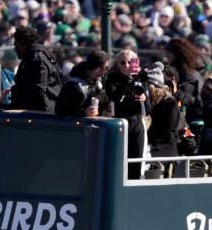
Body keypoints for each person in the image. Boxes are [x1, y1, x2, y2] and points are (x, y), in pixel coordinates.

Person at [104, 49, 150, 179]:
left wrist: (145, 99)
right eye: (122, 63)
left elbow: (149, 109)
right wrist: (127, 78)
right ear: (117, 65)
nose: (126, 65)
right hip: (119, 123)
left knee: (137, 161)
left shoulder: (141, 79)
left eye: (130, 62)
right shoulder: (112, 80)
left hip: (137, 123)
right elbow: (115, 98)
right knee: (119, 160)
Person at [9, 26, 61, 113]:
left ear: (22, 43)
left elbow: (39, 91)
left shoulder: (36, 59)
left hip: (42, 114)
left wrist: (44, 115)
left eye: (16, 45)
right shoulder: (30, 57)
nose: (15, 49)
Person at [55, 50, 108, 117]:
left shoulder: (100, 80)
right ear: (98, 69)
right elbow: (60, 110)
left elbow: (104, 98)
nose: (106, 70)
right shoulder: (72, 85)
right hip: (78, 123)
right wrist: (83, 112)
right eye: (106, 68)